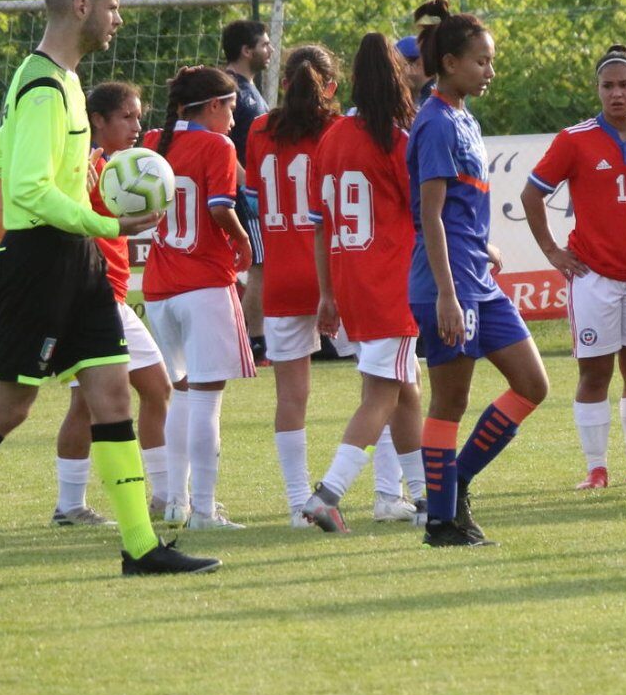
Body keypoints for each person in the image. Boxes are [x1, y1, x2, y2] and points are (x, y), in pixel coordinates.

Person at [0, 0, 215, 581]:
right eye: (113, 7)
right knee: (9, 405)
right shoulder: (41, 86)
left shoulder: (55, 82)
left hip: (77, 261)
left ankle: (140, 547)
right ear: (83, 8)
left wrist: (77, 197)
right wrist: (109, 224)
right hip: (40, 260)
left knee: (113, 391)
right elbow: (31, 191)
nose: (119, 19)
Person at [406, 0, 549, 548]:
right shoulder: (437, 123)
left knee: (533, 384)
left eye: (490, 61)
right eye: (481, 62)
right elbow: (429, 215)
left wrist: (480, 247)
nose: (490, 71)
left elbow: (458, 211)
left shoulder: (464, 118)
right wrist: (445, 292)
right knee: (450, 402)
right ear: (448, 63)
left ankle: (455, 483)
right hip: (449, 287)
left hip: (476, 280)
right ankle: (442, 521)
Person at [522, 46, 626, 489]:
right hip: (592, 275)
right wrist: (552, 252)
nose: (616, 93)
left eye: (624, 84)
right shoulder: (574, 139)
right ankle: (596, 468)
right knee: (594, 373)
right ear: (598, 90)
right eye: (608, 86)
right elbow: (531, 194)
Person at [296, 34, 430, 532]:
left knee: (406, 390)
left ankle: (423, 499)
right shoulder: (395, 138)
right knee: (381, 395)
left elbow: (321, 224)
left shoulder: (331, 138)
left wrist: (328, 293)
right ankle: (327, 494)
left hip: (351, 282)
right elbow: (424, 213)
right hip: (391, 282)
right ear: (398, 77)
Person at [48, 82, 175, 527]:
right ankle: (151, 497)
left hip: (108, 295)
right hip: (92, 294)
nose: (137, 126)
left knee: (115, 396)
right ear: (97, 121)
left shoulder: (116, 165)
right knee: (147, 390)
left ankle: (77, 505)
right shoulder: (82, 164)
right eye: (127, 117)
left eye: (139, 117)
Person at [142, 65, 256, 530]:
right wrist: (244, 239)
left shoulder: (152, 141)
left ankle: (174, 500)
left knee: (182, 397)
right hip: (204, 282)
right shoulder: (217, 144)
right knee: (207, 400)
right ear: (212, 106)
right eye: (231, 108)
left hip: (158, 286)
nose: (233, 119)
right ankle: (204, 511)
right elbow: (219, 208)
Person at [243, 44, 344, 525]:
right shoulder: (337, 130)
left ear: (282, 83)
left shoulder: (260, 129)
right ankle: (392, 494)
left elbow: (254, 198)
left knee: (290, 398)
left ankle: (294, 504)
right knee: (387, 385)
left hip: (281, 276)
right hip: (338, 274)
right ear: (332, 86)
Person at [220, 19, 274, 362]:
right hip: (242, 195)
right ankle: (253, 339)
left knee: (258, 265)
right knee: (260, 265)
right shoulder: (232, 90)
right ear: (246, 50)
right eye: (265, 45)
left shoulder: (247, 88)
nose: (269, 51)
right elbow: (223, 143)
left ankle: (242, 336)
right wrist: (248, 185)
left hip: (249, 192)